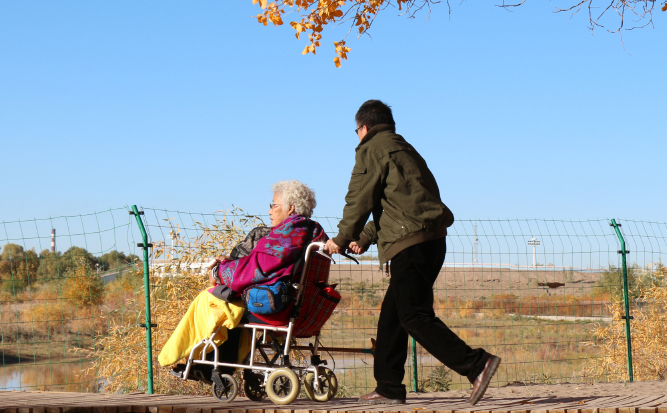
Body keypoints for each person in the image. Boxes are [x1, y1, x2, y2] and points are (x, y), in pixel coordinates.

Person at [324, 100, 501, 406]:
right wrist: (366, 237)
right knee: (393, 318)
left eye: (356, 131)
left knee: (414, 316)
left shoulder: (371, 148)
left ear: (363, 128)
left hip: (410, 245)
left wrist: (342, 237)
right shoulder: (405, 149)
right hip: (431, 240)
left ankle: (476, 364)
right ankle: (389, 387)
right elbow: (402, 204)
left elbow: (360, 198)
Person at [163, 180, 325, 380]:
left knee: (210, 299)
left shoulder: (287, 236)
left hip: (276, 307)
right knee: (232, 304)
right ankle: (216, 367)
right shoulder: (311, 231)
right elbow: (260, 265)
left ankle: (180, 358)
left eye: (274, 205)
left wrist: (218, 271)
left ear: (290, 208)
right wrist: (230, 264)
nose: (270, 211)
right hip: (290, 303)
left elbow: (254, 268)